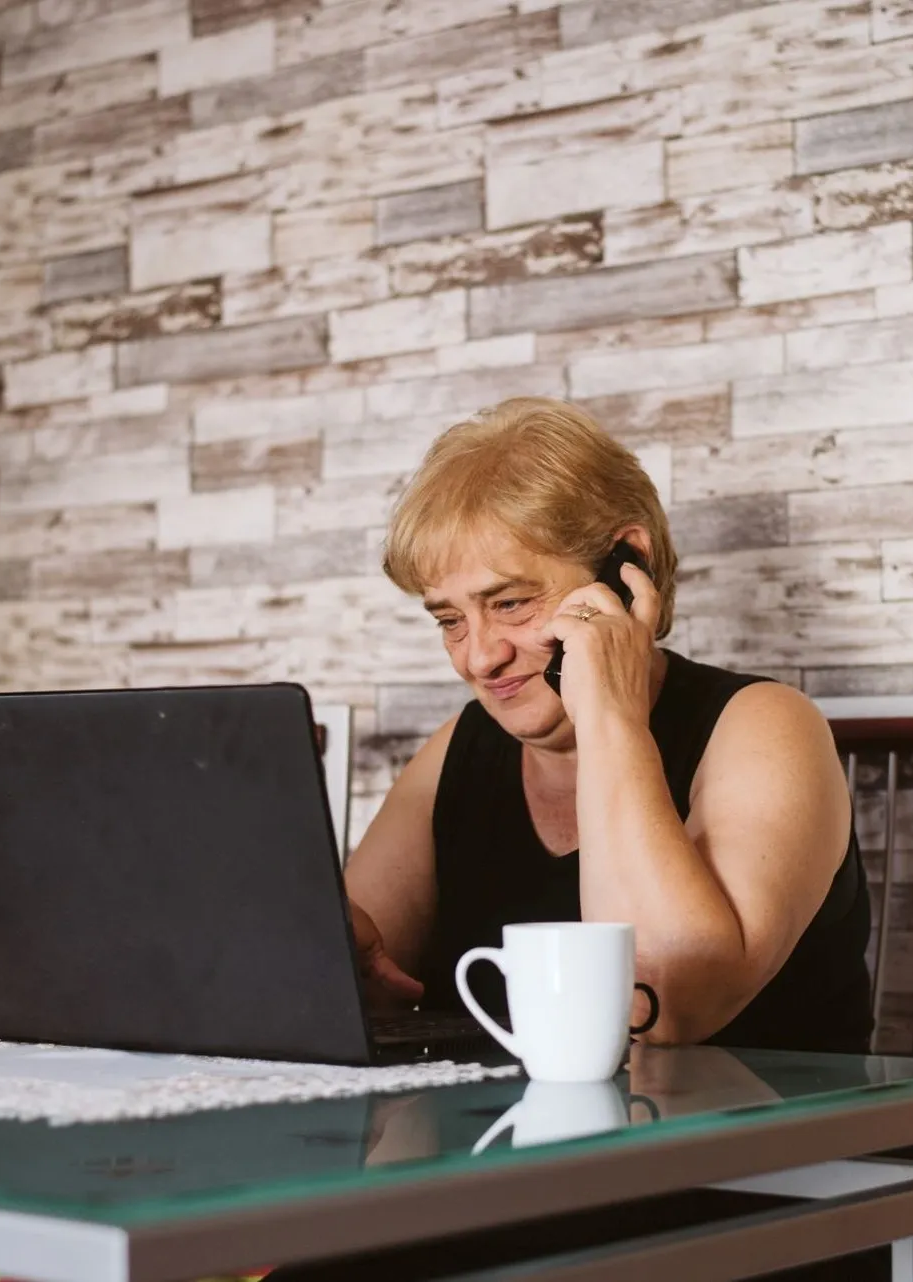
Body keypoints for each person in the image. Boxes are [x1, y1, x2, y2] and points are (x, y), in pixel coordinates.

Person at [344, 396, 874, 1054]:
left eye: (509, 603)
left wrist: (610, 716)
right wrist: (340, 975)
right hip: (526, 1147)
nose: (479, 657)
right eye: (450, 621)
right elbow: (348, 980)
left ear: (627, 570)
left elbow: (659, 1004)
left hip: (771, 1149)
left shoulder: (767, 726)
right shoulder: (460, 750)